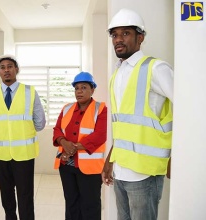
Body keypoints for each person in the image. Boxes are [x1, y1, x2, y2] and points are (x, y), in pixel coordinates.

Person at [102, 8, 174, 220]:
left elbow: (191, 109)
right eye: (114, 35)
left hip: (145, 173)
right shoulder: (117, 74)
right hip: (121, 170)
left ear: (140, 37)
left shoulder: (156, 68)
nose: (118, 39)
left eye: (125, 33)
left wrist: (178, 156)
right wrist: (110, 159)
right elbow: (123, 125)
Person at [0, 54, 46, 220]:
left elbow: (40, 123)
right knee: (6, 194)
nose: (6, 70)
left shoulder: (29, 92)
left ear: (16, 69)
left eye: (10, 66)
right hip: (1, 154)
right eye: (2, 67)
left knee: (25, 194)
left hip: (24, 154)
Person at [53, 71, 107, 220]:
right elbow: (57, 130)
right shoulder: (66, 108)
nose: (79, 91)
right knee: (71, 203)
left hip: (89, 168)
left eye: (84, 87)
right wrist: (64, 142)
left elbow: (101, 135)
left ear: (92, 89)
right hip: (67, 165)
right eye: (77, 88)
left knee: (90, 205)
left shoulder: (101, 109)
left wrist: (74, 147)